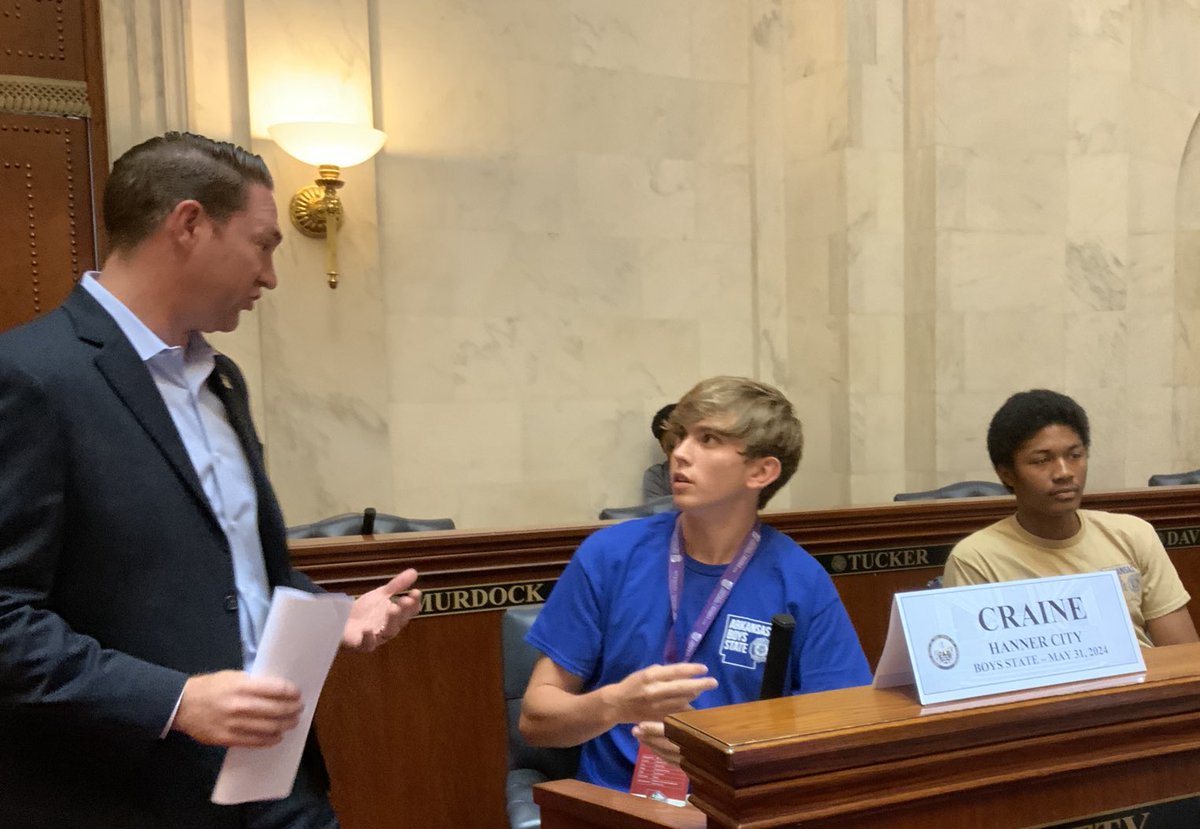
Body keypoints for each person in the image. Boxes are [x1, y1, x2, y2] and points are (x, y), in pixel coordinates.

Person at [0, 132, 421, 828]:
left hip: (276, 781)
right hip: (124, 794)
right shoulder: (30, 376)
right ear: (189, 224)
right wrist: (174, 699)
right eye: (263, 244)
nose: (271, 277)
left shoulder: (221, 380)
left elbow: (236, 572)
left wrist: (332, 611)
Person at [520, 376, 872, 792]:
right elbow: (536, 721)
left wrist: (724, 754)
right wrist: (614, 705)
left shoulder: (800, 580)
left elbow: (843, 733)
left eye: (707, 440)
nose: (680, 454)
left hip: (737, 807)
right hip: (615, 808)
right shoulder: (610, 554)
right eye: (680, 438)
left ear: (761, 471)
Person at [943, 389, 1199, 648]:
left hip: (1141, 683)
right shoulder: (975, 559)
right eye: (1042, 460)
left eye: (1075, 456)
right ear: (1006, 474)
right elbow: (979, 668)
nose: (1064, 472)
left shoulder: (1134, 534)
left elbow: (1182, 655)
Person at [641, 403, 676, 502]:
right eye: (672, 447)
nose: (680, 453)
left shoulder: (712, 469)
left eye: (684, 444)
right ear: (662, 447)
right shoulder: (657, 475)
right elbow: (655, 509)